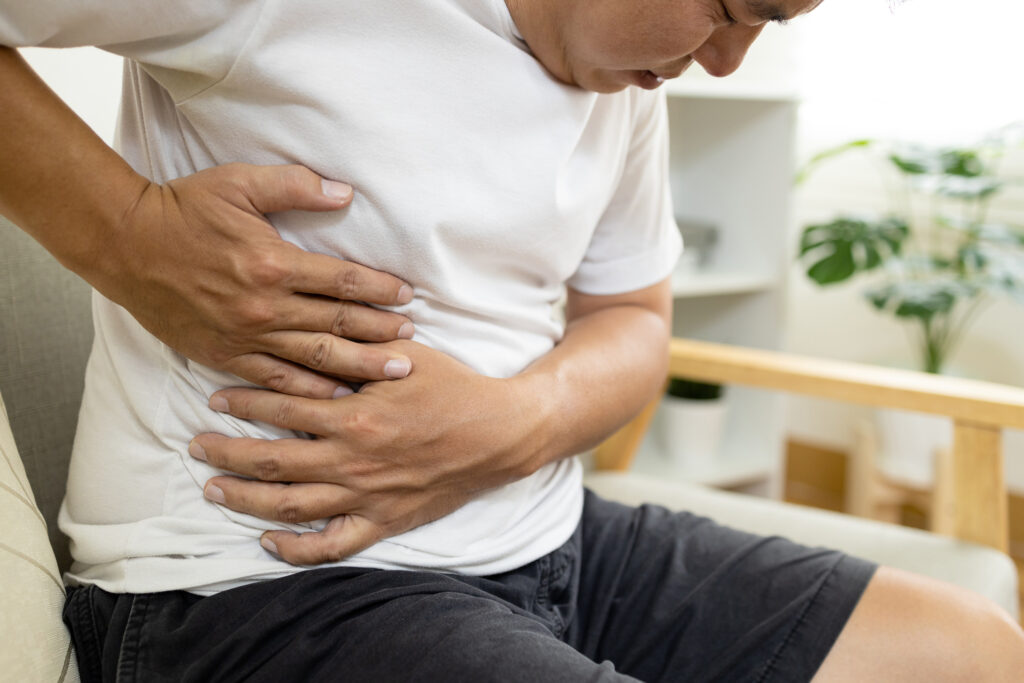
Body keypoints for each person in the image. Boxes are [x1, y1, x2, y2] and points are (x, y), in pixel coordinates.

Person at [2, 0, 1023, 680]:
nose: (723, 59)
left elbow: (634, 320)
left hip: (554, 541)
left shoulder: (625, 75)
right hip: (253, 589)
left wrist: (510, 422)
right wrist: (130, 236)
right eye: (728, 5)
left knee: (973, 650)